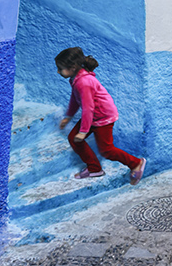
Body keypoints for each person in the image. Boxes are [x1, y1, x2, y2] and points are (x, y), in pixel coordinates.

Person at [56, 47, 146, 185]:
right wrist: (68, 116)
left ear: (73, 67)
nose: (58, 71)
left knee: (107, 151)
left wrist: (83, 131)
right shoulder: (75, 79)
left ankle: (136, 163)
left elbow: (88, 108)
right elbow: (75, 100)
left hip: (103, 117)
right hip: (93, 116)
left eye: (60, 68)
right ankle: (94, 169)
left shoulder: (83, 82)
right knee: (73, 139)